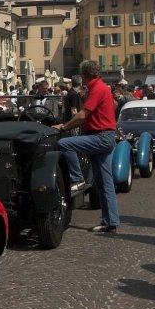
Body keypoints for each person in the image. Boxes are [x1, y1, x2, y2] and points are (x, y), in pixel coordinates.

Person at [53, 60, 120, 233]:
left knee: (64, 143)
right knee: (105, 182)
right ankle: (110, 221)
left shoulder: (97, 88)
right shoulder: (102, 87)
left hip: (101, 136)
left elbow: (83, 114)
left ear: (84, 75)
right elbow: (111, 107)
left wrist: (64, 126)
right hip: (105, 136)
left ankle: (77, 178)